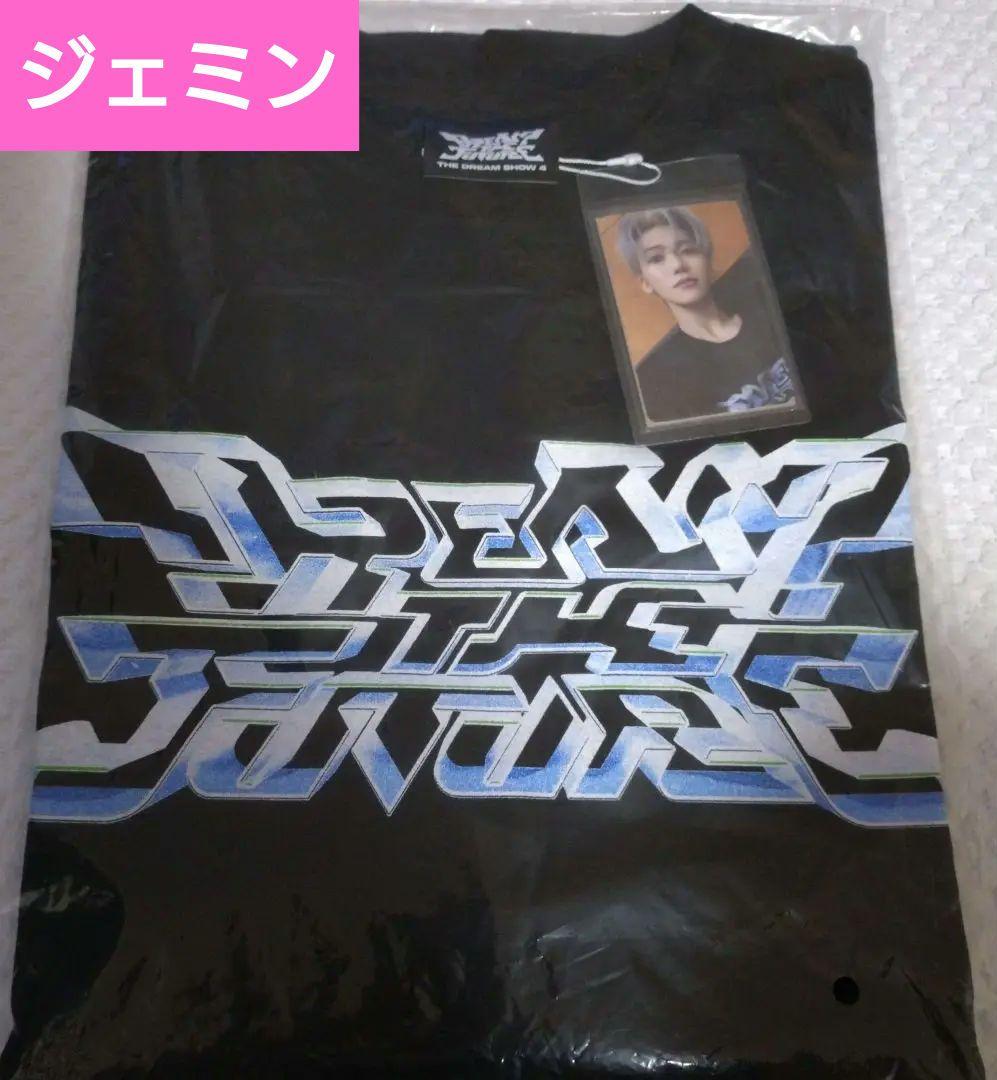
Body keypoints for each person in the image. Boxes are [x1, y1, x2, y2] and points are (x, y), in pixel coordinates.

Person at [615, 206, 797, 422]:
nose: (678, 265)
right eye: (656, 258)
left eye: (688, 250)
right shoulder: (661, 380)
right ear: (645, 282)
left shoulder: (771, 307)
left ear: (707, 259)